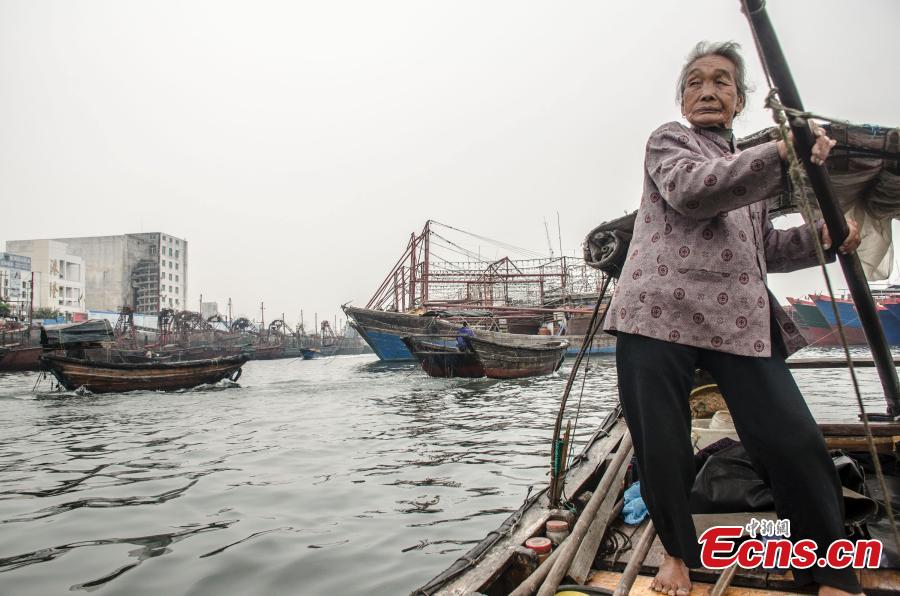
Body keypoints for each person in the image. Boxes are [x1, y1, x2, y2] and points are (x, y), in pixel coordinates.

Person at [603, 41, 863, 596]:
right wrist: (784, 151)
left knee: (792, 439)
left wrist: (820, 237)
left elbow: (763, 246)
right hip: (657, 312)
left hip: (738, 320)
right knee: (663, 446)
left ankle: (828, 569)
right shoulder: (669, 143)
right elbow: (693, 192)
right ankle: (676, 552)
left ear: (739, 100)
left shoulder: (753, 172)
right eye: (695, 82)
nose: (707, 91)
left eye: (721, 82)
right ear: (682, 97)